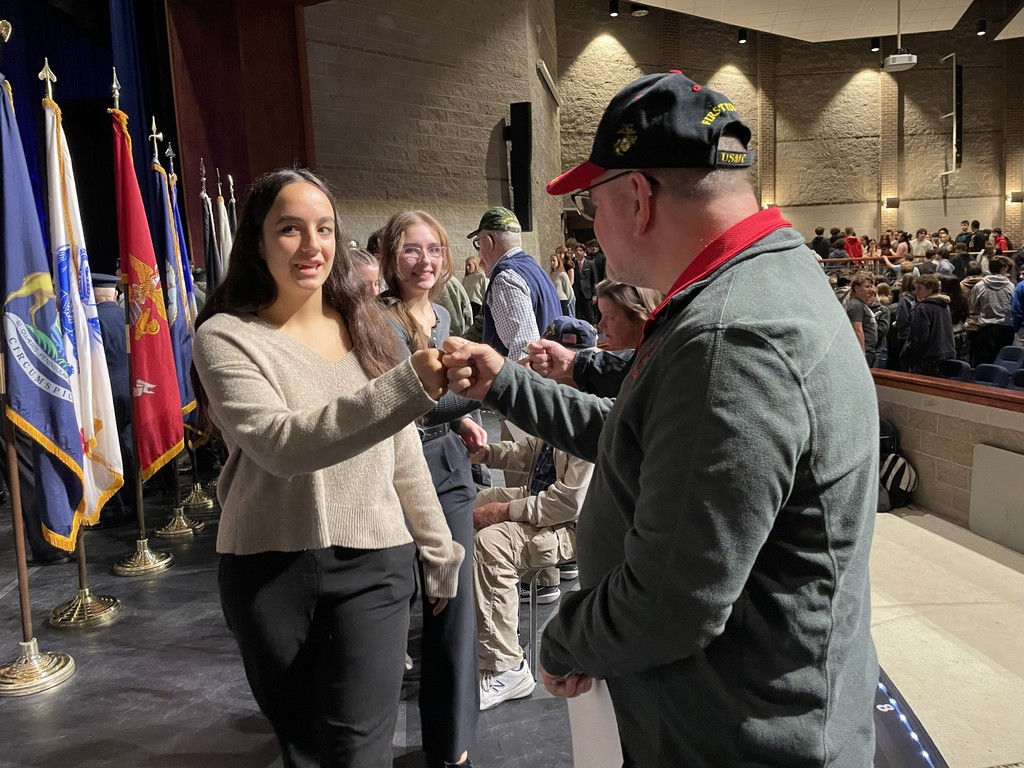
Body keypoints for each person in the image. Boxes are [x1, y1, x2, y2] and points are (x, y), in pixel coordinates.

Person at [441, 71, 878, 766]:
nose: (591, 226)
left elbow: (672, 600)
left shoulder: (731, 337)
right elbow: (635, 436)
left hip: (738, 737)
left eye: (592, 204)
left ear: (638, 197)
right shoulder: (752, 285)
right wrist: (508, 384)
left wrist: (565, 637)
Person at [191, 168, 464, 768]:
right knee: (304, 749)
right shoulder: (226, 336)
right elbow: (279, 444)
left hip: (375, 560)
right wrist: (404, 388)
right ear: (257, 241)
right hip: (268, 567)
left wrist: (438, 546)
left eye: (324, 229)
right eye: (290, 229)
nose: (312, 245)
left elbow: (401, 450)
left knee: (359, 750)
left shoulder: (365, 326)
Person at [377, 210, 482, 768]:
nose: (426, 262)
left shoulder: (441, 314)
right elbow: (411, 400)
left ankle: (451, 744)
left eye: (435, 250)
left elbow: (438, 404)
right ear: (392, 256)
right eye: (413, 250)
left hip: (447, 463)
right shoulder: (376, 320)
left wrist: (458, 414)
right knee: (395, 608)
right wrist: (490, 387)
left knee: (455, 608)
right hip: (393, 472)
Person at [468, 206, 560, 359]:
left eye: (478, 243)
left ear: (488, 241)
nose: (478, 253)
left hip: (528, 379)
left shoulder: (505, 278)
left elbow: (522, 348)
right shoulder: (535, 270)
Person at [91, 273, 135, 527]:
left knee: (107, 449)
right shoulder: (128, 316)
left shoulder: (90, 322)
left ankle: (115, 506)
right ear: (114, 294)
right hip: (132, 389)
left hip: (106, 394)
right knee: (128, 445)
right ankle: (134, 497)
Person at [900, 274, 955, 376]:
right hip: (947, 353)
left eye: (920, 288)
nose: (916, 292)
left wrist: (906, 353)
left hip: (928, 357)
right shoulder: (944, 305)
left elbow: (919, 338)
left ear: (931, 289)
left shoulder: (923, 308)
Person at [595, 279, 661, 350]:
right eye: (602, 315)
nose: (601, 325)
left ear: (639, 317)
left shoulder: (663, 355)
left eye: (610, 317)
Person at [846, 273, 878, 367]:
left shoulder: (862, 304)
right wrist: (861, 354)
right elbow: (857, 330)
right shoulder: (856, 305)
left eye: (871, 286)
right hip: (864, 353)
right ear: (856, 288)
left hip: (869, 351)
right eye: (867, 286)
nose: (871, 290)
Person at [461, 255, 488, 320]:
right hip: (466, 304)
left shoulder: (481, 276)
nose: (467, 267)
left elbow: (485, 291)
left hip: (476, 304)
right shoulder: (466, 278)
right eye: (466, 265)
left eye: (469, 265)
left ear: (475, 265)